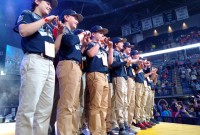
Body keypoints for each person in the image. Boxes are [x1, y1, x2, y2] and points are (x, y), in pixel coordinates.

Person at [13, 0, 63, 135]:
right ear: (37, 1)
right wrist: (45, 20)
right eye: (48, 2)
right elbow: (23, 31)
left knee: (44, 111)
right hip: (34, 60)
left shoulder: (46, 26)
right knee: (27, 108)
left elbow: (55, 49)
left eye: (51, 6)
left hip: (49, 64)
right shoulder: (28, 14)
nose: (50, 6)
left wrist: (60, 33)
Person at [55, 9, 90, 135]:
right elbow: (69, 42)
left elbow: (76, 54)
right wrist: (82, 35)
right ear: (66, 17)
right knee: (67, 104)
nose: (77, 21)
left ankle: (73, 132)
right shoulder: (62, 29)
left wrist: (84, 46)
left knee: (74, 105)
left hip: (75, 66)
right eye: (75, 17)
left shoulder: (71, 33)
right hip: (67, 65)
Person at [85, 25, 113, 134]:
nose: (103, 35)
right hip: (94, 73)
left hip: (104, 75)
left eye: (103, 33)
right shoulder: (89, 43)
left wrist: (110, 48)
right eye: (100, 33)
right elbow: (91, 54)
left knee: (104, 106)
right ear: (93, 34)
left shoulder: (101, 47)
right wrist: (99, 43)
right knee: (96, 105)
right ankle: (95, 131)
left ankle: (102, 131)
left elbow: (110, 62)